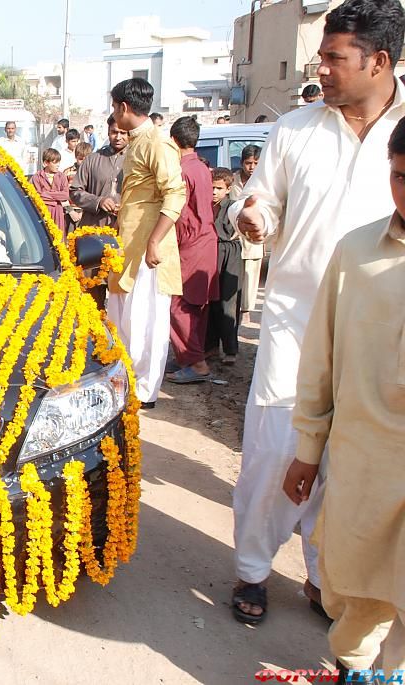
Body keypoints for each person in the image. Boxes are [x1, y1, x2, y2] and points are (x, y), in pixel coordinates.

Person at [227, 0, 405, 626]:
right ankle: (252, 570)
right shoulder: (295, 128)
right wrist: (253, 218)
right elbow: (259, 203)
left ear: (379, 61)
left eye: (334, 58)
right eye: (321, 56)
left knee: (351, 461)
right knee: (277, 450)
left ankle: (327, 579)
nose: (320, 68)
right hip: (295, 321)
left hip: (384, 332)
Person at [282, 115, 405, 680]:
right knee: (355, 594)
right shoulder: (357, 253)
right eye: (400, 177)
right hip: (363, 466)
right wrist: (308, 448)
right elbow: (321, 362)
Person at [107, 78, 186, 408]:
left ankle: (145, 391)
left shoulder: (157, 143)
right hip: (131, 245)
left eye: (113, 108)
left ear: (124, 108)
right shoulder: (137, 142)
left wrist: (154, 242)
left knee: (146, 321)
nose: (113, 114)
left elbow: (175, 194)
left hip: (149, 250)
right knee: (125, 320)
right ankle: (129, 384)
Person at [165, 116, 218, 384]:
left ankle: (197, 363)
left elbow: (182, 214)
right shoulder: (201, 167)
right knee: (196, 307)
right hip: (205, 242)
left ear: (174, 141)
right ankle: (187, 356)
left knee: (179, 305)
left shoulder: (183, 171)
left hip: (191, 243)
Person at [205, 167, 241, 365]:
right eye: (211, 187)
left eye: (219, 188)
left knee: (228, 303)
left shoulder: (233, 207)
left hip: (229, 254)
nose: (214, 192)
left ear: (228, 188)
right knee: (210, 302)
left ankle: (230, 349)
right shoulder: (206, 206)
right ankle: (210, 347)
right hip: (210, 253)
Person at [69, 115, 129, 227]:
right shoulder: (92, 159)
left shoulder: (136, 161)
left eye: (123, 133)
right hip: (94, 226)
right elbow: (74, 191)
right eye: (114, 132)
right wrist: (98, 201)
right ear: (108, 132)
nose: (118, 137)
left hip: (126, 228)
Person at [229, 144, 263, 323]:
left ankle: (246, 310)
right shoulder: (232, 180)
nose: (252, 167)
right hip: (233, 236)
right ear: (242, 163)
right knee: (233, 274)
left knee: (251, 274)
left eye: (256, 163)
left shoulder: (263, 182)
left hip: (252, 237)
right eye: (249, 163)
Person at [31, 147, 71, 233]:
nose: (58, 165)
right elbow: (38, 196)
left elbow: (65, 195)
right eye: (55, 162)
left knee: (58, 238)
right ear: (46, 163)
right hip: (43, 211)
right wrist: (56, 197)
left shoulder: (62, 176)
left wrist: (47, 193)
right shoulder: (37, 177)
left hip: (58, 211)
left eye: (59, 162)